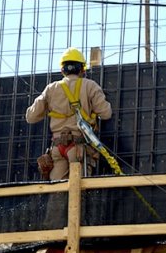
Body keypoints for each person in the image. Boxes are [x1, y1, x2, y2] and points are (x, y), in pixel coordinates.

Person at [26, 47, 112, 179]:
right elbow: (106, 113)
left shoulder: (51, 88)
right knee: (80, 191)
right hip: (78, 148)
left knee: (58, 192)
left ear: (62, 69)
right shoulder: (90, 86)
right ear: (82, 69)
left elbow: (30, 117)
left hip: (57, 148)